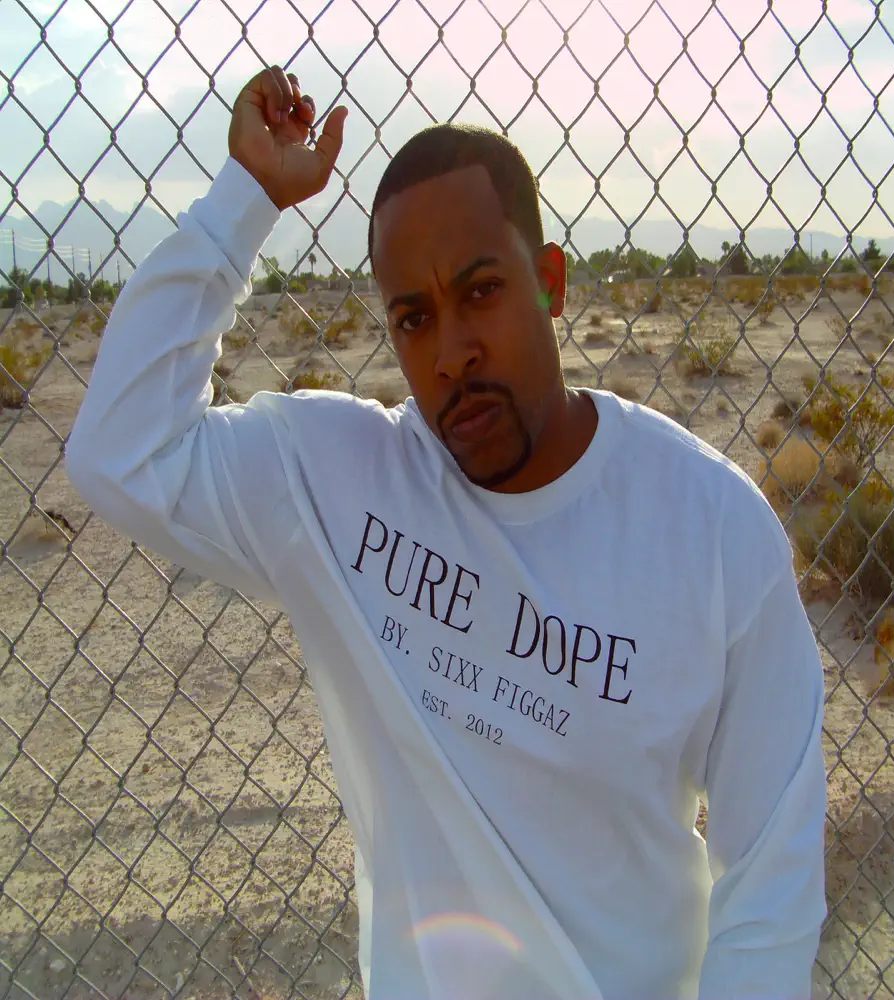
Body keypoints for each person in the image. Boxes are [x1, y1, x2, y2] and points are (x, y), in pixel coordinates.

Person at [66, 64, 828, 1000]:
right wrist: (245, 201)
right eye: (414, 318)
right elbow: (120, 451)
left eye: (481, 292)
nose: (451, 354)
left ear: (549, 282)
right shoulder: (340, 485)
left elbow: (771, 880)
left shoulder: (711, 530)